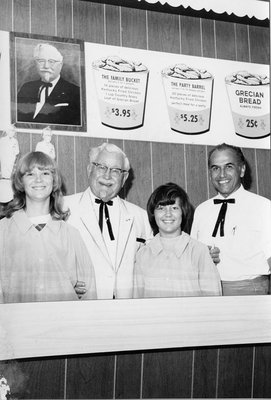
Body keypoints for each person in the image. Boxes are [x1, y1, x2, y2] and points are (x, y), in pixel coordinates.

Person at [0, 151, 97, 303]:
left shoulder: (71, 235)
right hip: (15, 325)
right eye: (30, 174)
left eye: (45, 173)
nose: (38, 179)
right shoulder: (3, 231)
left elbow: (89, 292)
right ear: (20, 182)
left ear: (54, 181)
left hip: (62, 323)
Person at [65, 142, 152, 299]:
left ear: (124, 177)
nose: (107, 176)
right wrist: (63, 282)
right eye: (101, 167)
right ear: (89, 169)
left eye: (115, 170)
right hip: (81, 309)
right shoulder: (63, 209)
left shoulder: (140, 216)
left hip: (126, 311)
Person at [191, 143, 271, 296]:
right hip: (207, 291)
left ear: (241, 170)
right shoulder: (201, 210)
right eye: (215, 168)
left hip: (250, 291)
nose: (222, 175)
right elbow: (193, 258)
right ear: (209, 173)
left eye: (229, 167)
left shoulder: (263, 206)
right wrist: (204, 256)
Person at [133, 182, 222, 298]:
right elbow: (136, 302)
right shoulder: (143, 255)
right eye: (161, 208)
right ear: (153, 214)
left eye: (174, 208)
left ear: (183, 212)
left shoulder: (200, 251)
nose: (168, 214)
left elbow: (213, 299)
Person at [17, 43, 81, 125]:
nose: (46, 66)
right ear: (35, 63)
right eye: (41, 61)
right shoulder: (27, 88)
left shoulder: (75, 92)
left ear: (60, 65)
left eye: (51, 61)